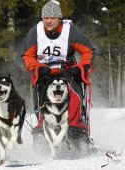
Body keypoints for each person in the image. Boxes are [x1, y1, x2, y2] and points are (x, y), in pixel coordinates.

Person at [21, 0, 95, 147]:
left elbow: (88, 51)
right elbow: (27, 55)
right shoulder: (36, 32)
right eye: (45, 18)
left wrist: (82, 67)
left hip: (67, 69)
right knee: (43, 92)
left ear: (59, 18)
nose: (48, 21)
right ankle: (44, 125)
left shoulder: (71, 31)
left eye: (52, 18)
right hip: (45, 71)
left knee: (73, 89)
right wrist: (36, 68)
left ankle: (75, 125)